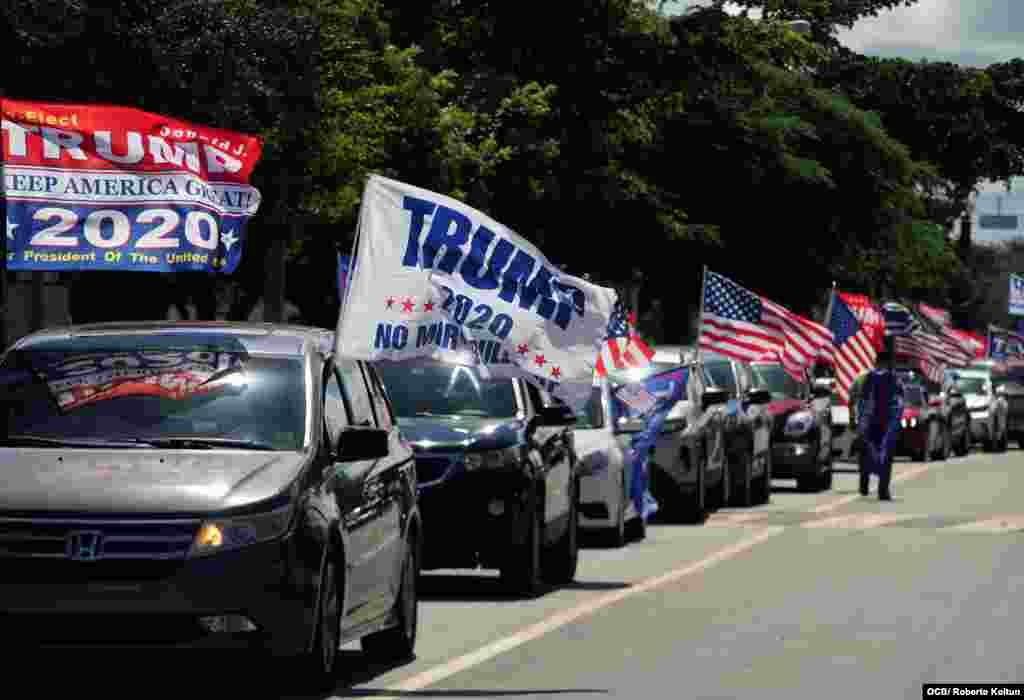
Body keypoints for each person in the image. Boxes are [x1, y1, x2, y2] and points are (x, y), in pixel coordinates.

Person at [856, 337, 905, 500]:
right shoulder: (893, 378)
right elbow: (899, 401)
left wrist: (859, 420)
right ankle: (882, 490)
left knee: (866, 453)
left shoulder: (868, 377)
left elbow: (861, 400)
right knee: (886, 455)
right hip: (885, 424)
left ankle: (865, 482)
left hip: (871, 423)